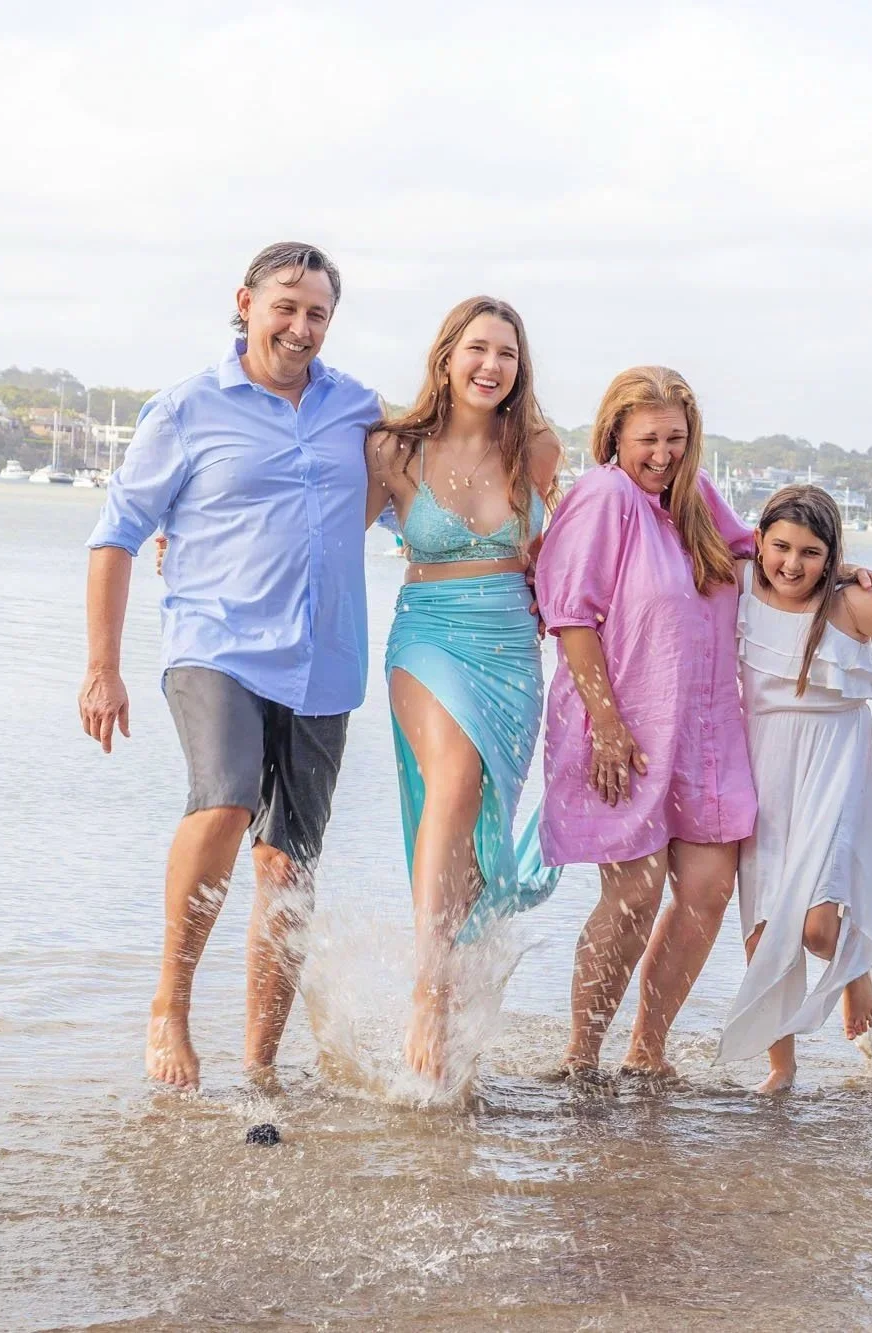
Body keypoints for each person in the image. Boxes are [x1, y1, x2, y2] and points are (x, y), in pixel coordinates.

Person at [532, 367, 872, 1082]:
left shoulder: (694, 498)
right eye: (649, 438)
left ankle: (648, 1050)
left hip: (706, 733)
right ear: (614, 433)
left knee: (705, 891)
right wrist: (606, 725)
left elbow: (766, 558)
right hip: (625, 730)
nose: (663, 453)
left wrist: (851, 577)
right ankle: (581, 1055)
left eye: (676, 437)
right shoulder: (604, 495)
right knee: (634, 893)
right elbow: (569, 613)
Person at [77, 242, 382, 1089]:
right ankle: (169, 1003)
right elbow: (116, 537)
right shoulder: (186, 410)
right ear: (244, 302)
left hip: (324, 664)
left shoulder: (357, 408)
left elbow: (429, 488)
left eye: (317, 312)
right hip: (215, 646)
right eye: (286, 305)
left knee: (288, 866)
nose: (300, 326)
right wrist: (104, 667)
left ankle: (259, 1064)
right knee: (226, 796)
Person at [363, 296, 564, 1085]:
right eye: (477, 348)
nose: (491, 365)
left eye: (506, 354)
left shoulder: (537, 450)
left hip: (512, 651)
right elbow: (322, 527)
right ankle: (427, 992)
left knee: (479, 843)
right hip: (428, 635)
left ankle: (462, 1024)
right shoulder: (394, 449)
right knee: (454, 780)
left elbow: (560, 559)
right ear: (447, 355)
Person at [715, 485, 872, 1093]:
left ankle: (854, 968)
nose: (792, 565)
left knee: (817, 928)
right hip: (763, 764)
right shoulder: (742, 580)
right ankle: (782, 1067)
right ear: (760, 541)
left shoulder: (852, 605)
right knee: (763, 929)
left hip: (834, 760)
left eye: (812, 553)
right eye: (781, 547)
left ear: (832, 556)